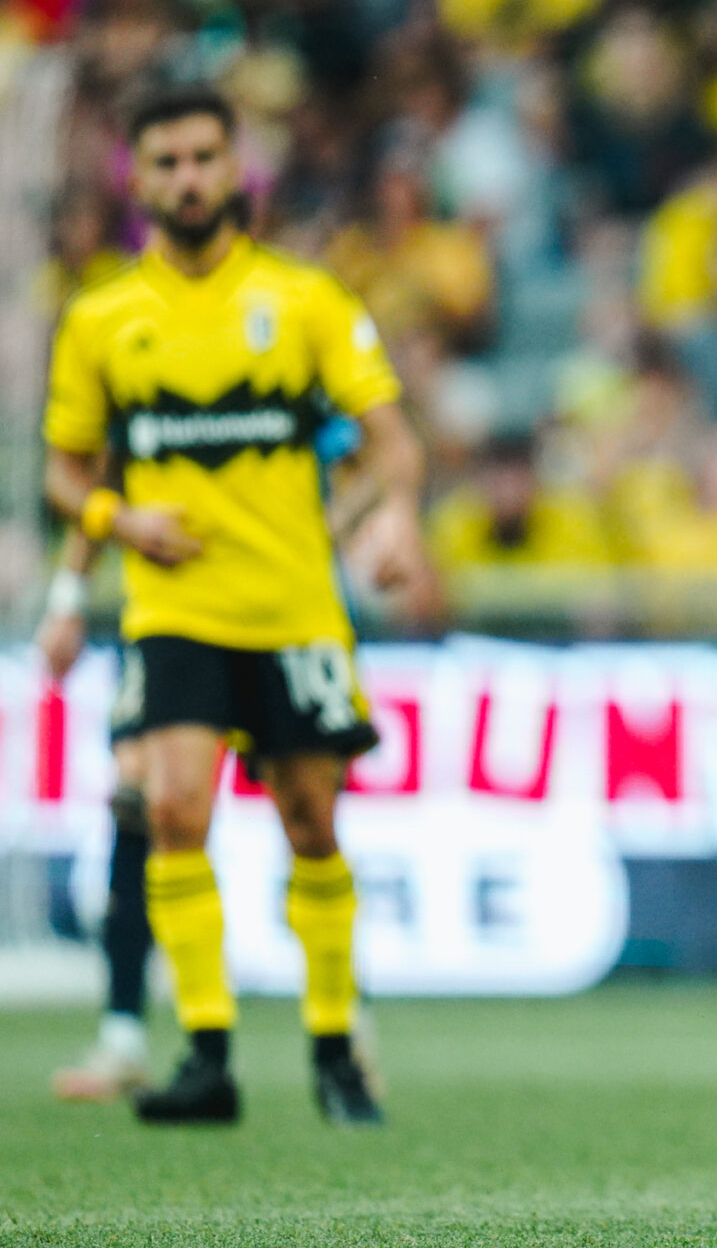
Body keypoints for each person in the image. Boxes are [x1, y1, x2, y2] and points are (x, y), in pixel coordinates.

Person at [42, 85, 428, 1127]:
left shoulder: (305, 300)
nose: (187, 179)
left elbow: (392, 441)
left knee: (312, 823)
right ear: (136, 179)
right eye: (166, 162)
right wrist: (117, 524)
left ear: (236, 167)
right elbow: (67, 473)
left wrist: (394, 516)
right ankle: (205, 1053)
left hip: (294, 606)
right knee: (172, 809)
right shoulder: (101, 320)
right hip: (175, 609)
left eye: (203, 157)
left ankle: (334, 1046)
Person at [34, 526, 157, 1103]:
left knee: (304, 806)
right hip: (169, 613)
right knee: (136, 797)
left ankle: (342, 1035)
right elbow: (92, 491)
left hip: (277, 602)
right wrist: (69, 598)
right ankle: (123, 1038)